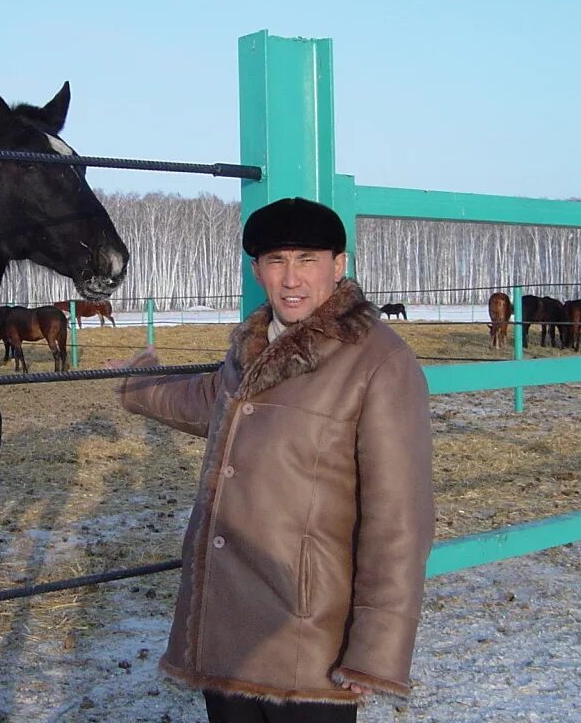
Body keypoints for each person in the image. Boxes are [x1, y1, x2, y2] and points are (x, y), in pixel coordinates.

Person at [114, 197, 434, 723]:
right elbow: (211, 400)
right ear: (257, 269)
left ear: (339, 264)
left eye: (307, 259)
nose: (292, 279)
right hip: (227, 629)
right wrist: (136, 382)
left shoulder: (380, 363)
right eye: (276, 261)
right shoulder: (255, 346)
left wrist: (375, 653)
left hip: (309, 641)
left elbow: (400, 520)